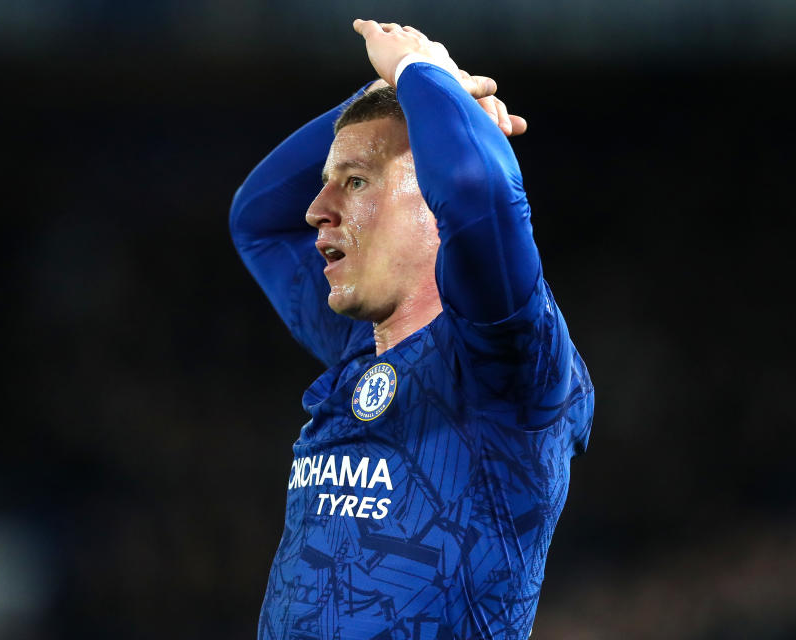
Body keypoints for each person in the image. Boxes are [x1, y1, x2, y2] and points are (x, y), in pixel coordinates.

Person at [230, 19, 594, 640]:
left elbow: (477, 188)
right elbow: (257, 219)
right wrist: (418, 91)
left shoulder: (505, 362)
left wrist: (418, 73)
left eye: (355, 181)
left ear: (432, 196)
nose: (317, 209)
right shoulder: (359, 345)